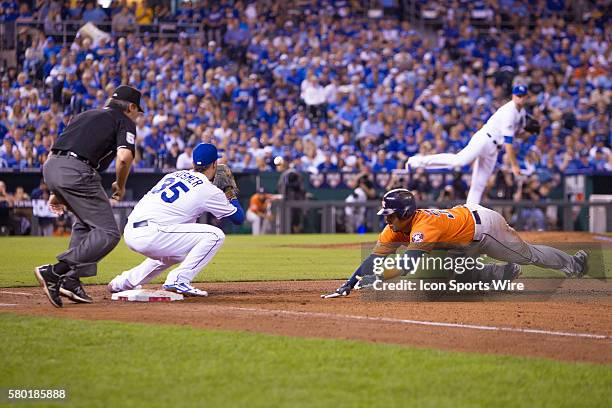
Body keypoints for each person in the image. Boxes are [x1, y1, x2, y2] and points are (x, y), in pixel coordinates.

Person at [322, 189, 588, 298]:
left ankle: (573, 264)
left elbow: (407, 264)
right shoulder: (394, 229)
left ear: (404, 213)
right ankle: (500, 273)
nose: (387, 219)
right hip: (460, 236)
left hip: (483, 227)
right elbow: (374, 259)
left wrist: (376, 278)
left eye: (390, 214)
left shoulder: (423, 226)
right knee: (438, 280)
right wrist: (349, 283)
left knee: (527, 255)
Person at [34, 85, 142, 308]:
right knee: (109, 233)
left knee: (86, 223)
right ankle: (56, 272)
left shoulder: (85, 114)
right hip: (77, 171)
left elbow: (66, 146)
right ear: (131, 107)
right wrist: (119, 185)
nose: (136, 116)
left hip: (52, 166)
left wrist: (56, 191)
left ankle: (71, 280)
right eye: (137, 111)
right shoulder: (124, 121)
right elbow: (124, 157)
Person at [108, 143, 245, 296]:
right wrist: (229, 191)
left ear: (193, 163)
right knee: (215, 235)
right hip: (153, 233)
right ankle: (179, 280)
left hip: (131, 230)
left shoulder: (173, 175)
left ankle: (123, 282)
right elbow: (238, 218)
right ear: (214, 164)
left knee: (175, 254)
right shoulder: (208, 189)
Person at [407, 85, 530, 205]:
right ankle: (418, 161)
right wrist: (514, 166)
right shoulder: (509, 112)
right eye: (518, 96)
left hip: (494, 148)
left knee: (479, 184)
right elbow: (508, 143)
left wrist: (529, 132)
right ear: (513, 96)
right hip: (485, 139)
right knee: (459, 161)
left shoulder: (521, 112)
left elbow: (517, 134)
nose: (521, 98)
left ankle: (470, 214)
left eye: (523, 96)